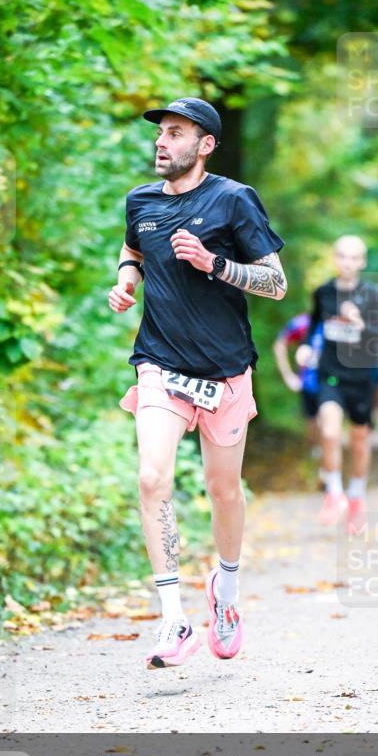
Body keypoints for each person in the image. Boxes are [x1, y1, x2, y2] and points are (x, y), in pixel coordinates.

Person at [108, 96, 286, 670]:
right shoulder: (141, 201)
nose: (162, 141)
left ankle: (226, 597)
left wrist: (215, 264)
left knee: (223, 489)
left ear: (204, 144)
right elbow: (133, 248)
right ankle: (172, 620)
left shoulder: (234, 200)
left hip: (226, 369)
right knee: (151, 476)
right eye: (161, 132)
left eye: (176, 132)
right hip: (159, 363)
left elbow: (275, 282)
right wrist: (126, 280)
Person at [307, 235, 378, 533]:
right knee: (329, 432)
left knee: (359, 440)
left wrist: (360, 323)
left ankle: (357, 496)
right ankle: (334, 492)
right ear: (334, 257)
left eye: (355, 257)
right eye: (343, 256)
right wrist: (307, 347)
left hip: (362, 377)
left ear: (363, 262)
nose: (348, 262)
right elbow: (315, 324)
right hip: (330, 374)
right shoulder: (323, 292)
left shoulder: (372, 295)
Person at [273, 312, 324, 466]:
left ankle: (328, 469)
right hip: (309, 384)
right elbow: (280, 344)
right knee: (314, 424)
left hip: (332, 383)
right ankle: (316, 459)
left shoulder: (337, 322)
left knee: (328, 422)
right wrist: (288, 376)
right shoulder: (302, 323)